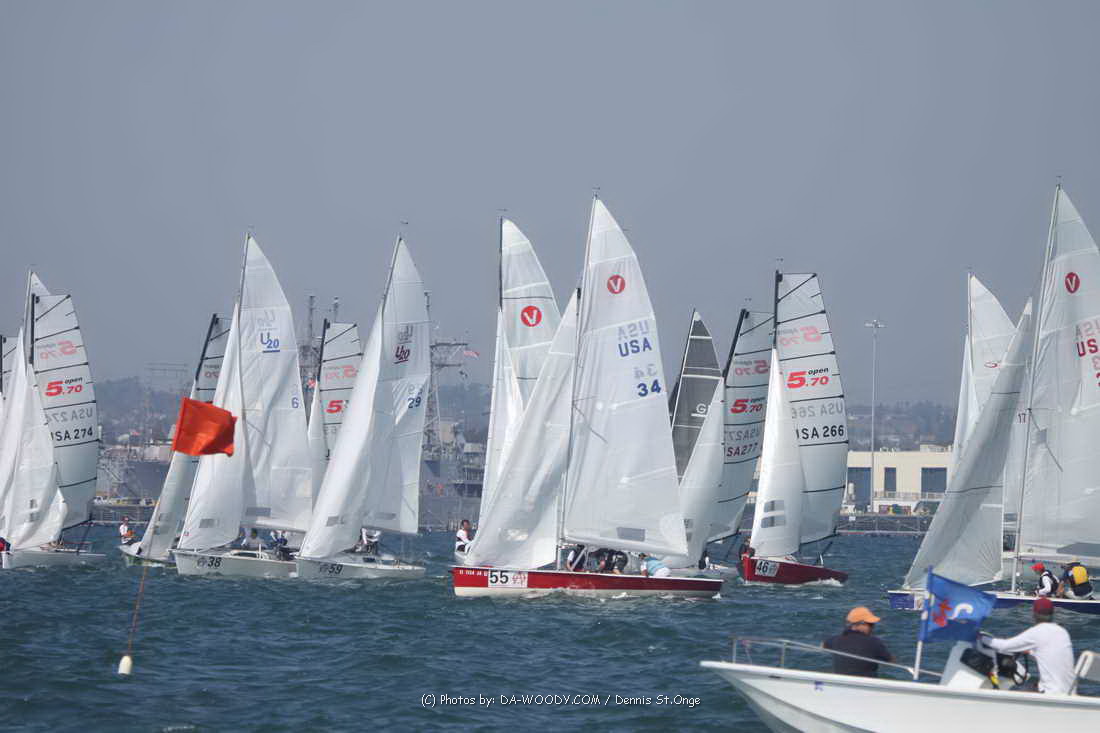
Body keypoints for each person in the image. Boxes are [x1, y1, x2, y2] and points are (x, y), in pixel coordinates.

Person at [987, 597, 1075, 694]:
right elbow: (1049, 654)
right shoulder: (1062, 632)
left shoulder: (1037, 631)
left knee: (1012, 689)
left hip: (1051, 693)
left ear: (1034, 615)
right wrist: (1030, 652)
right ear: (1052, 613)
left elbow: (1004, 646)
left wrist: (981, 638)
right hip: (1069, 692)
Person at [823, 607, 894, 677]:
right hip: (865, 683)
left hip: (841, 682)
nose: (872, 627)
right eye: (870, 624)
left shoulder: (835, 640)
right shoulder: (874, 642)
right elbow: (891, 661)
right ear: (860, 624)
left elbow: (823, 646)